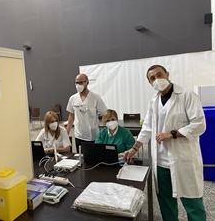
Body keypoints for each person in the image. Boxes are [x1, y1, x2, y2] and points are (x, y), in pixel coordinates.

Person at [124, 65, 207, 221]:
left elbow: (199, 124)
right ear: (149, 82)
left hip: (183, 160)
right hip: (160, 163)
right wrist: (134, 149)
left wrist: (172, 134)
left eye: (159, 75)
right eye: (152, 78)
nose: (157, 80)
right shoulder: (154, 101)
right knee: (166, 204)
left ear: (167, 74)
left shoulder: (187, 95)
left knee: (193, 204)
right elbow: (147, 128)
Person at [66, 73, 107, 152]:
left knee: (93, 158)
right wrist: (66, 133)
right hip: (79, 135)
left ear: (87, 82)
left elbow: (104, 114)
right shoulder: (73, 98)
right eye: (76, 83)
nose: (78, 85)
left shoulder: (95, 98)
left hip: (93, 135)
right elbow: (71, 115)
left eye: (81, 82)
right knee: (81, 158)